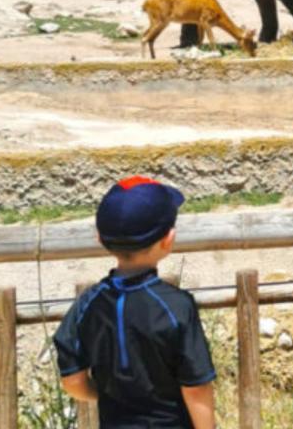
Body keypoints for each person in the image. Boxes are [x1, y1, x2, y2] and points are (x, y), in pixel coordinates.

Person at [53, 176, 216, 429]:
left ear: (99, 238)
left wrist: (107, 396)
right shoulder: (176, 307)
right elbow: (196, 388)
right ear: (168, 239)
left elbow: (72, 381)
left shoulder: (87, 305)